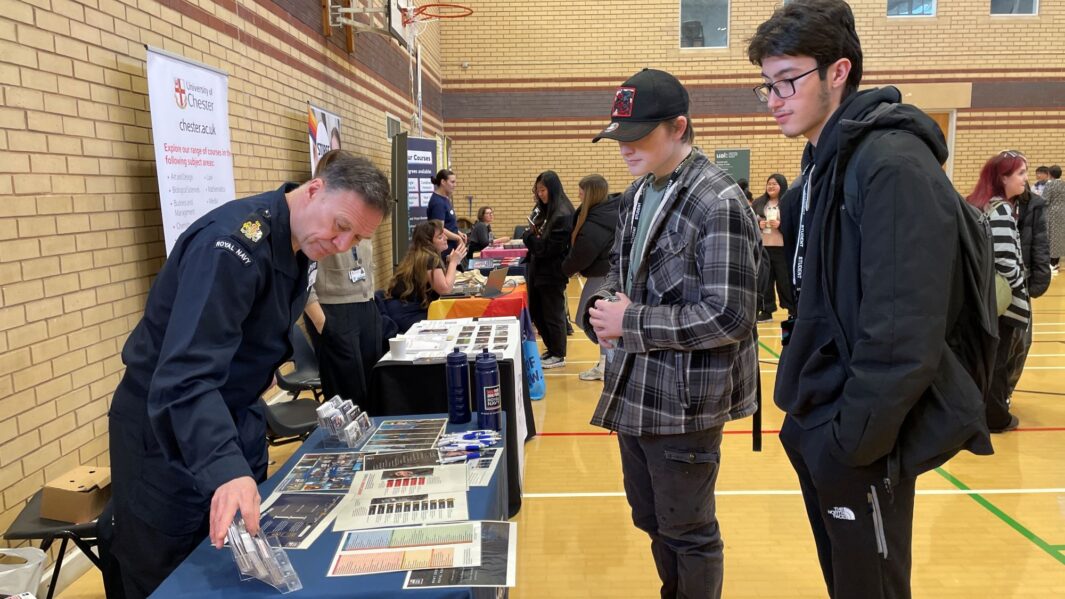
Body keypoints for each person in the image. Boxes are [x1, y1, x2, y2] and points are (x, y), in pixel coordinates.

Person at [748, 1, 992, 597]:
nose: (775, 97)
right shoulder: (826, 161)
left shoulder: (891, 165)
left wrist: (851, 443)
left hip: (857, 436)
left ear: (839, 71)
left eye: (788, 81)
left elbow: (903, 329)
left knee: (872, 588)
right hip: (822, 417)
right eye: (767, 85)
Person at [106, 153, 392, 598]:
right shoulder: (232, 246)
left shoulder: (299, 245)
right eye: (341, 225)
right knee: (171, 573)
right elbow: (186, 377)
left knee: (232, 565)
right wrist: (226, 469)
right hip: (169, 433)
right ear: (315, 190)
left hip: (230, 419)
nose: (342, 244)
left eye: (355, 237)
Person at [584, 68, 761, 598]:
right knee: (651, 518)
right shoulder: (640, 193)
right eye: (620, 136)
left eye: (637, 137)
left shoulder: (718, 200)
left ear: (679, 127)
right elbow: (621, 269)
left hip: (685, 401)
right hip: (636, 387)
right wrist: (602, 308)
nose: (625, 148)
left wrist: (630, 322)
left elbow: (730, 316)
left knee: (689, 531)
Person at [303, 150, 383, 405]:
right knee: (348, 394)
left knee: (374, 386)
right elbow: (303, 279)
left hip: (365, 306)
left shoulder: (356, 211)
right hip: (333, 311)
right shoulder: (316, 218)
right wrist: (323, 324)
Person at [968, 151, 1031, 432]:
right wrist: (1021, 282)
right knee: (999, 363)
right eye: (1020, 173)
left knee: (986, 360)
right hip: (1003, 305)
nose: (1026, 179)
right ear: (1002, 178)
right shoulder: (1002, 210)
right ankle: (995, 418)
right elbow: (1006, 262)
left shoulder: (981, 205)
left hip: (985, 301)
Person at [562, 174, 618, 381]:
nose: (578, 194)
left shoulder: (598, 218)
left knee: (594, 320)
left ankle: (607, 365)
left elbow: (586, 249)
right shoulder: (605, 211)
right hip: (603, 272)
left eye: (581, 191)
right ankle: (606, 364)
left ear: (591, 193)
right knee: (595, 320)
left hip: (603, 275)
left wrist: (565, 270)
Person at [523, 171, 575, 369]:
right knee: (537, 310)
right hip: (539, 269)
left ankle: (558, 354)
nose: (540, 194)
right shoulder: (547, 209)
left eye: (543, 190)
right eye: (537, 191)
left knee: (553, 313)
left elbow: (545, 248)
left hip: (552, 272)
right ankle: (552, 349)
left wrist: (529, 238)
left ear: (552, 189)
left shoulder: (562, 214)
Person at [1005, 180, 1051, 400]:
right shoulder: (986, 203)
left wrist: (1040, 278)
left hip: (1022, 283)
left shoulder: (1034, 206)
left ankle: (1007, 390)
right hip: (995, 284)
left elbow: (1041, 245)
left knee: (1022, 342)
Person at [385, 219, 467, 333]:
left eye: (444, 235)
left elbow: (440, 284)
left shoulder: (422, 255)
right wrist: (454, 263)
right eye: (440, 237)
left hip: (403, 308)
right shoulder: (429, 259)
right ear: (429, 242)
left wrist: (450, 263)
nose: (446, 238)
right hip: (408, 314)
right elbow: (445, 289)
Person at [750, 173, 793, 322]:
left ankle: (792, 309)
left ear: (782, 186)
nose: (771, 186)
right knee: (765, 281)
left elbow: (795, 225)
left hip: (782, 249)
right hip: (764, 249)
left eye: (774, 184)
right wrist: (759, 226)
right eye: (769, 184)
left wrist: (781, 225)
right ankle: (767, 310)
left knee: (785, 281)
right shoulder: (758, 203)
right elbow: (750, 224)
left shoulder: (788, 202)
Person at [426, 169, 466, 258]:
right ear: (443, 182)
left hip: (451, 246)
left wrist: (458, 233)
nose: (455, 185)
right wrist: (457, 237)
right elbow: (439, 229)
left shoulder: (445, 199)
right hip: (444, 250)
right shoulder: (438, 203)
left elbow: (448, 223)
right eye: (452, 182)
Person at [1043, 165, 1065, 270]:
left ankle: (1052, 263)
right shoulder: (1063, 184)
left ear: (1050, 174)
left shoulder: (1050, 185)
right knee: (1059, 237)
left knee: (1051, 237)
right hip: (1062, 212)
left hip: (1052, 213)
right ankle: (1056, 262)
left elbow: (1045, 200)